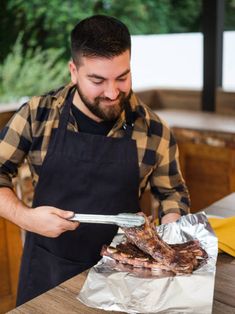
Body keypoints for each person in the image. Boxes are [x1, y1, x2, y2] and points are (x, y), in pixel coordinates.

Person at [0, 15, 190, 305]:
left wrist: (166, 238)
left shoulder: (154, 130)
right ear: (74, 71)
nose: (112, 92)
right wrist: (25, 217)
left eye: (122, 77)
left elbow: (172, 194)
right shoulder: (37, 115)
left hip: (125, 277)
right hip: (47, 273)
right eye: (98, 80)